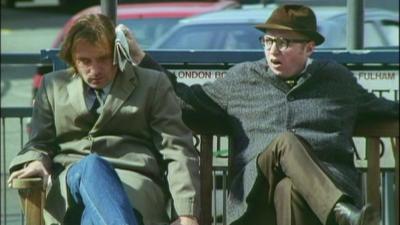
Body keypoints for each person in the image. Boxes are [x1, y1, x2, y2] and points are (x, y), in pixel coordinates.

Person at [126, 4, 399, 225]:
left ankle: (333, 207)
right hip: (254, 201)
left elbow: (385, 109)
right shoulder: (243, 78)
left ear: (309, 48)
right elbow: (185, 100)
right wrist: (141, 57)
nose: (272, 50)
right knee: (285, 142)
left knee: (289, 189)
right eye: (268, 40)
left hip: (314, 207)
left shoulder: (336, 80)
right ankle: (342, 212)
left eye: (284, 42)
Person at [8, 14, 200, 225]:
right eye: (85, 61)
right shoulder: (53, 85)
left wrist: (187, 214)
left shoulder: (152, 84)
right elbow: (39, 141)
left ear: (118, 54)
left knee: (92, 216)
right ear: (73, 59)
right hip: (71, 183)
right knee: (92, 165)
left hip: (133, 184)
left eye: (103, 58)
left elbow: (177, 149)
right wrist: (37, 160)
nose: (95, 70)